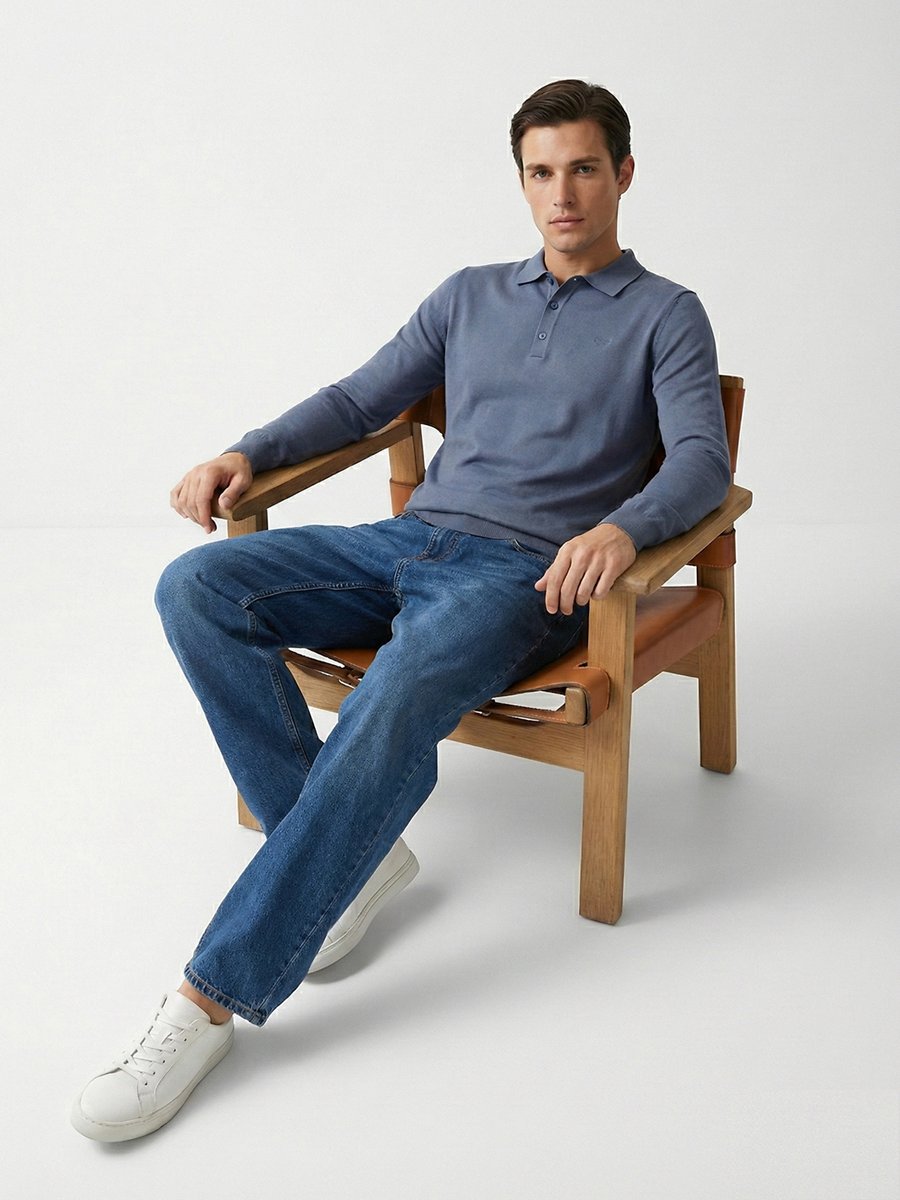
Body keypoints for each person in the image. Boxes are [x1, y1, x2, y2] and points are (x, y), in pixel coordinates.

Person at [71, 79, 731, 1142]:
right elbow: (358, 400)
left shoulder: (666, 314)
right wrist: (246, 450)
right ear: (521, 181)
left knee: (401, 688)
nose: (562, 194)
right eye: (541, 172)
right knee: (195, 586)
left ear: (623, 174)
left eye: (583, 169)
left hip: (524, 580)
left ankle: (208, 1001)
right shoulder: (469, 295)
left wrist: (622, 529)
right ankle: (355, 859)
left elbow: (701, 458)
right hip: (405, 544)